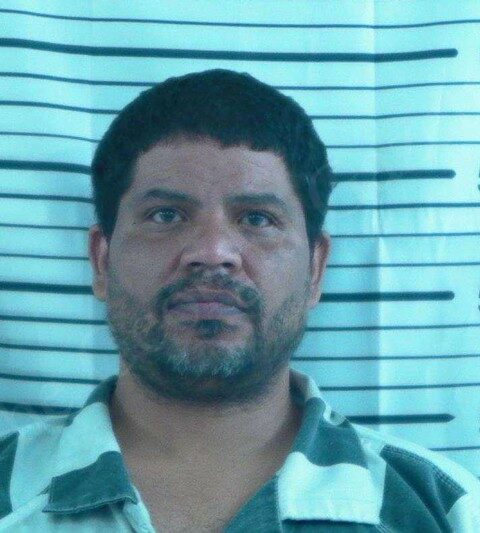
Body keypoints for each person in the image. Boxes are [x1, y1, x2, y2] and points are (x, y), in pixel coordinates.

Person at [0, 69, 479, 533]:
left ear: (315, 269)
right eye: (166, 215)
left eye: (257, 219)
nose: (212, 253)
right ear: (101, 261)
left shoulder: (446, 512)